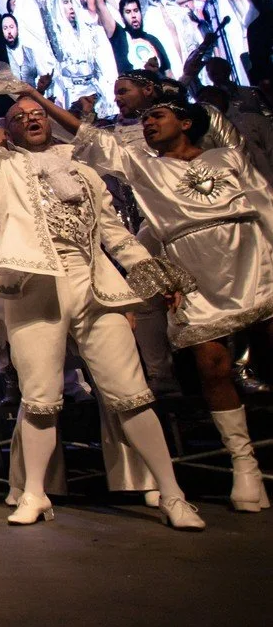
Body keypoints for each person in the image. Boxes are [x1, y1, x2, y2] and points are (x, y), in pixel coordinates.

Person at [0, 26, 202, 531]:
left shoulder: (83, 172)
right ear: (7, 131)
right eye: (19, 117)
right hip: (36, 286)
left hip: (94, 284)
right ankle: (35, 493)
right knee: (41, 397)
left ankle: (172, 494)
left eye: (38, 114)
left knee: (131, 393)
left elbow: (114, 234)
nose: (31, 118)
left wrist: (150, 274)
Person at [24, 83, 273, 513]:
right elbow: (87, 135)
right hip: (193, 264)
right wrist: (38, 96)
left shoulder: (227, 157)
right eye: (144, 119)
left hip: (253, 257)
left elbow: (265, 202)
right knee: (213, 365)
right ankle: (244, 463)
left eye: (157, 116)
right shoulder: (141, 164)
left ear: (186, 122)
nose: (148, 124)